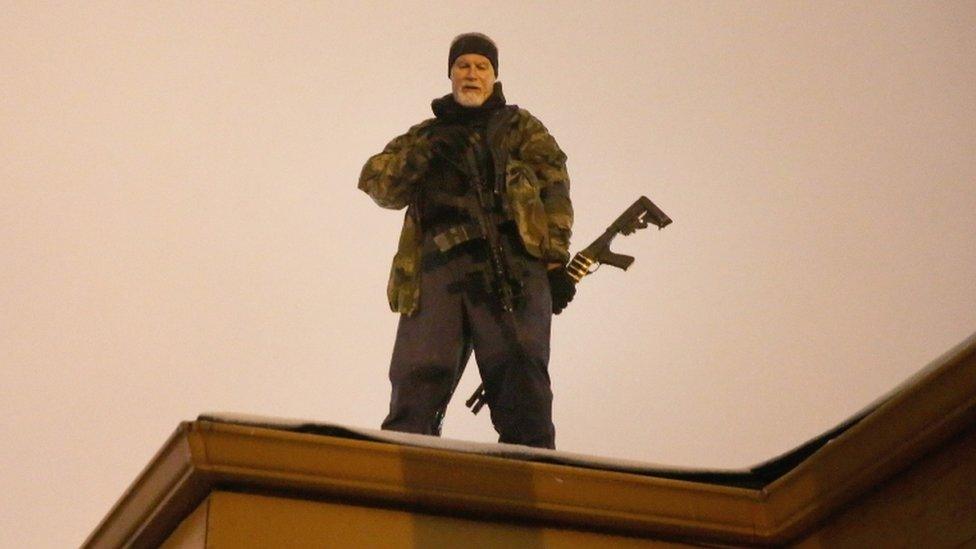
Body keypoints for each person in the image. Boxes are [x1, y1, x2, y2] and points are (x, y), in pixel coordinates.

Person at [358, 33, 575, 449]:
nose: (471, 74)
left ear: (494, 76)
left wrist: (553, 263)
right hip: (439, 268)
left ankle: (535, 473)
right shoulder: (425, 135)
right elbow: (378, 183)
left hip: (511, 263)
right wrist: (426, 152)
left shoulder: (520, 128)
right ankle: (405, 461)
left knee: (519, 370)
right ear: (450, 74)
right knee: (421, 368)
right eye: (463, 66)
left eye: (481, 66)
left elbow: (554, 190)